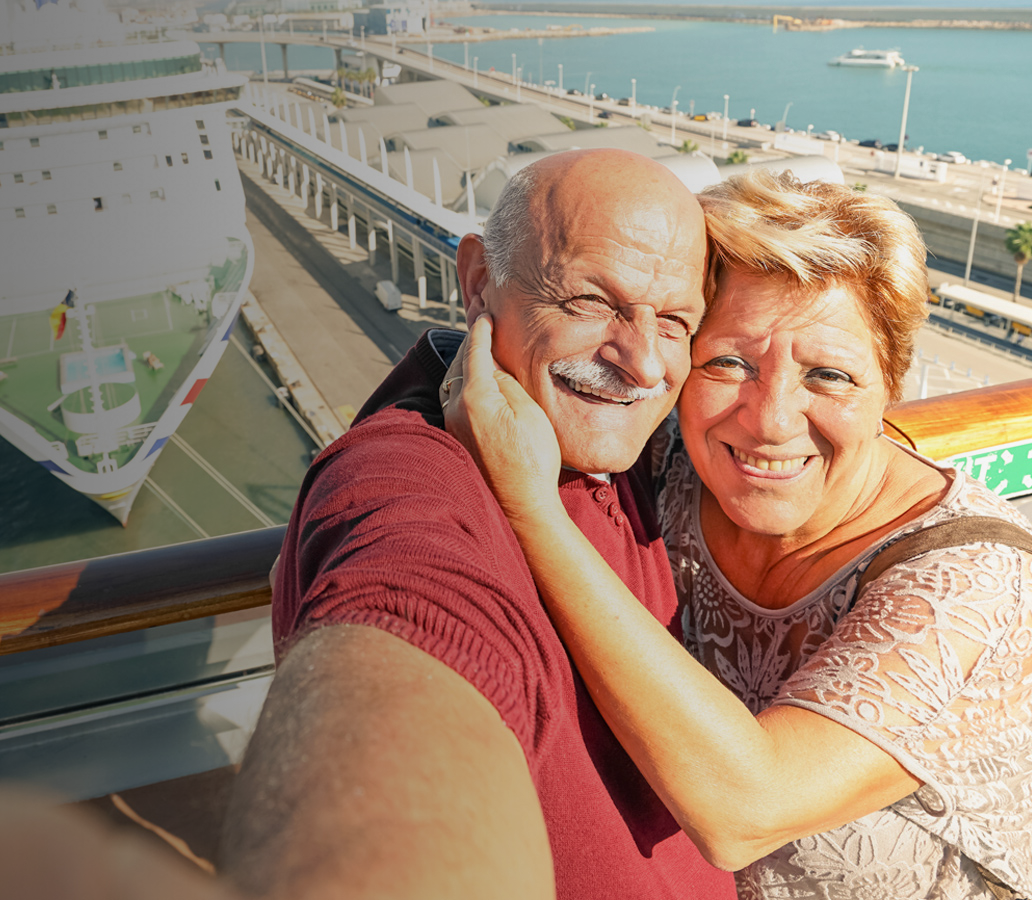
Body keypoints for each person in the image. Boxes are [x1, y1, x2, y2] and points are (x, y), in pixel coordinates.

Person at [445, 170, 1032, 900]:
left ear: (890, 386)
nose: (770, 420)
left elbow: (746, 810)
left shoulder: (977, 582)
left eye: (828, 375)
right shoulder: (672, 465)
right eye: (730, 362)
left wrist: (529, 507)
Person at [218, 149, 736, 900]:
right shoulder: (405, 476)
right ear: (477, 282)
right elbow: (408, 618)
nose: (643, 363)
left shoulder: (622, 443)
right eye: (592, 301)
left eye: (675, 322)